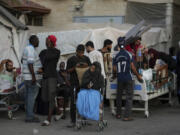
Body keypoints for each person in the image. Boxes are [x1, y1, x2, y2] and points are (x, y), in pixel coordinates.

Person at [113, 37, 143, 121]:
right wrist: (138, 75)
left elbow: (114, 68)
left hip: (120, 78)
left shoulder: (116, 55)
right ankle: (126, 116)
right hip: (128, 78)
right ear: (125, 44)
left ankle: (118, 114)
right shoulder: (129, 54)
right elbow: (132, 67)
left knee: (119, 96)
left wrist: (114, 75)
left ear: (118, 45)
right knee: (129, 97)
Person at [66, 44, 91, 128]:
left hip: (84, 84)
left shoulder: (86, 58)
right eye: (79, 52)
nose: (81, 54)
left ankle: (84, 119)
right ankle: (73, 121)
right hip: (74, 83)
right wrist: (75, 67)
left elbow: (90, 69)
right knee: (73, 103)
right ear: (76, 51)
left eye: (82, 52)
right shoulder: (71, 59)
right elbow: (67, 71)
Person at [39, 35, 60, 126]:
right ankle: (59, 111)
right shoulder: (43, 52)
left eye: (47, 40)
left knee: (51, 98)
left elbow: (47, 57)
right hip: (45, 77)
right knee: (45, 98)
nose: (45, 41)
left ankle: (48, 119)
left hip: (52, 77)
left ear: (51, 41)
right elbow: (42, 60)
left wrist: (48, 49)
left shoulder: (56, 52)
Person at [22, 35, 42, 123]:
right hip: (31, 77)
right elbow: (30, 64)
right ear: (33, 41)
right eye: (37, 40)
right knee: (31, 97)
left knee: (28, 96)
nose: (38, 42)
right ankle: (30, 117)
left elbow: (24, 61)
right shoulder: (30, 49)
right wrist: (33, 76)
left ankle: (29, 114)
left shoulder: (27, 49)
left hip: (27, 77)